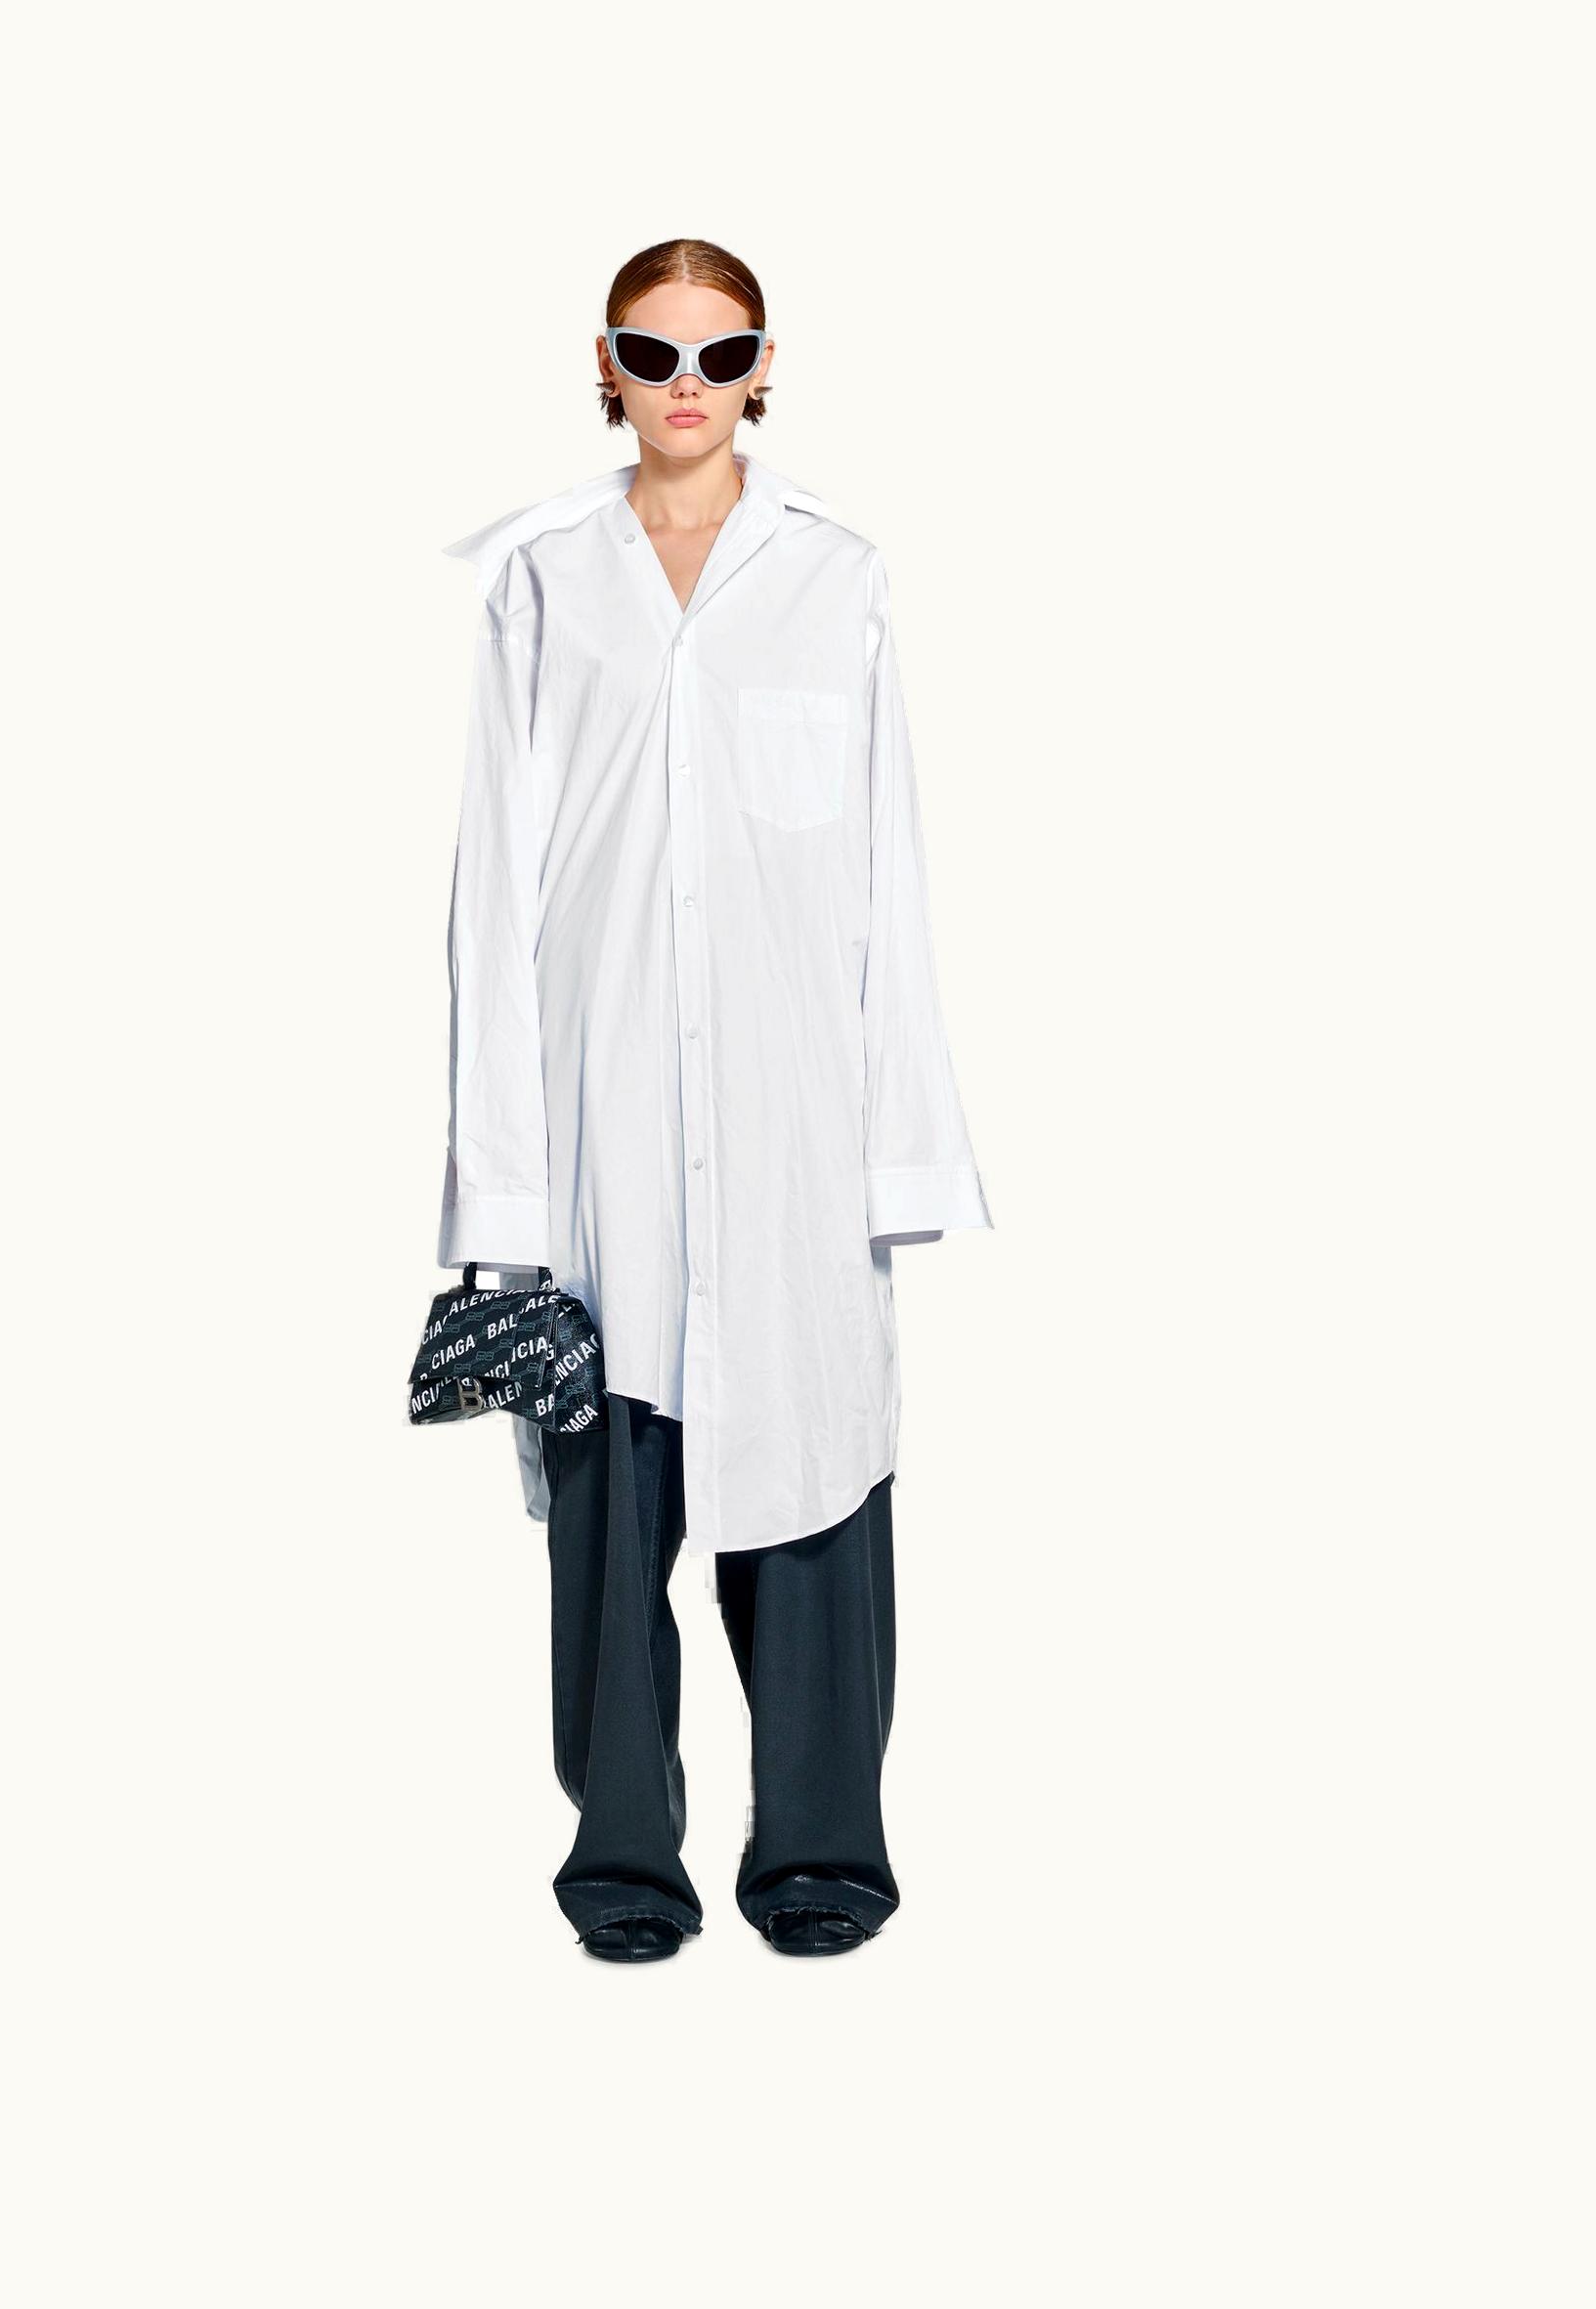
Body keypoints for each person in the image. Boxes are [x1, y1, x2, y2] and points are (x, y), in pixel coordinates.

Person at [435, 238, 992, 1960]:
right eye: (653, 351)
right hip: (601, 1127)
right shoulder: (542, 585)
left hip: (791, 1128)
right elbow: (493, 892)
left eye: (722, 351)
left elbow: (890, 876)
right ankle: (622, 1861)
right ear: (605, 364)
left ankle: (822, 1855)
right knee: (612, 1510)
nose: (689, 385)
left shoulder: (841, 579)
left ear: (765, 366)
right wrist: (499, 1194)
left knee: (813, 1482)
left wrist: (901, 1156)